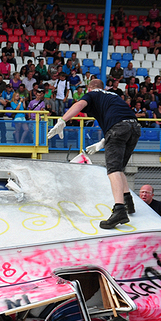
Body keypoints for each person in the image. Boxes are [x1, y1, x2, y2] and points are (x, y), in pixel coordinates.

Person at [48, 78, 141, 229]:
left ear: (90, 88)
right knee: (119, 167)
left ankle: (119, 210)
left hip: (118, 129)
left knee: (113, 170)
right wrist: (104, 142)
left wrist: (62, 120)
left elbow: (79, 104)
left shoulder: (92, 94)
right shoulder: (114, 96)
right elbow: (121, 119)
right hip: (134, 127)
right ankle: (128, 201)